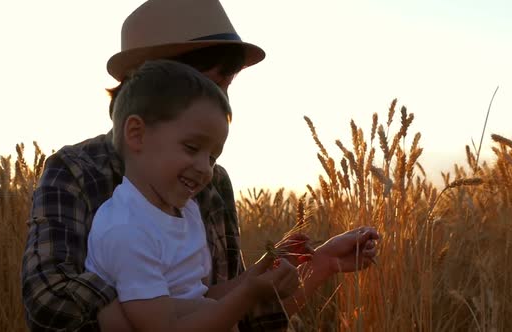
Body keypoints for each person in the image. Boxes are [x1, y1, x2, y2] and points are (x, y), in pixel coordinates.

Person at [21, 0, 381, 331]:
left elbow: (232, 314)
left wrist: (319, 264)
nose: (222, 100)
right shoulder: (75, 171)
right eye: (210, 84)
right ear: (149, 85)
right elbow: (50, 305)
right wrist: (140, 307)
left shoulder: (210, 183)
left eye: (227, 86)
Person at [84, 59, 300, 332]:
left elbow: (200, 298)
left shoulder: (186, 211)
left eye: (212, 157)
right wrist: (248, 294)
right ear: (137, 135)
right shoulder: (127, 230)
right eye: (191, 147)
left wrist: (257, 277)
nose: (205, 169)